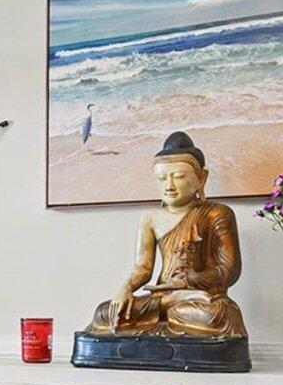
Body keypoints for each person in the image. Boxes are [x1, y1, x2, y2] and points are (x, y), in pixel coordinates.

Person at [86, 130, 247, 339]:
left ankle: (172, 306)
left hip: (201, 298)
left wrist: (191, 279)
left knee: (218, 315)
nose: (169, 186)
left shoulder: (217, 213)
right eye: (162, 178)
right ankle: (168, 304)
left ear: (201, 178)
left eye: (179, 177)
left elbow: (229, 270)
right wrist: (125, 289)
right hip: (161, 297)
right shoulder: (150, 218)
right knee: (103, 313)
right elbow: (143, 269)